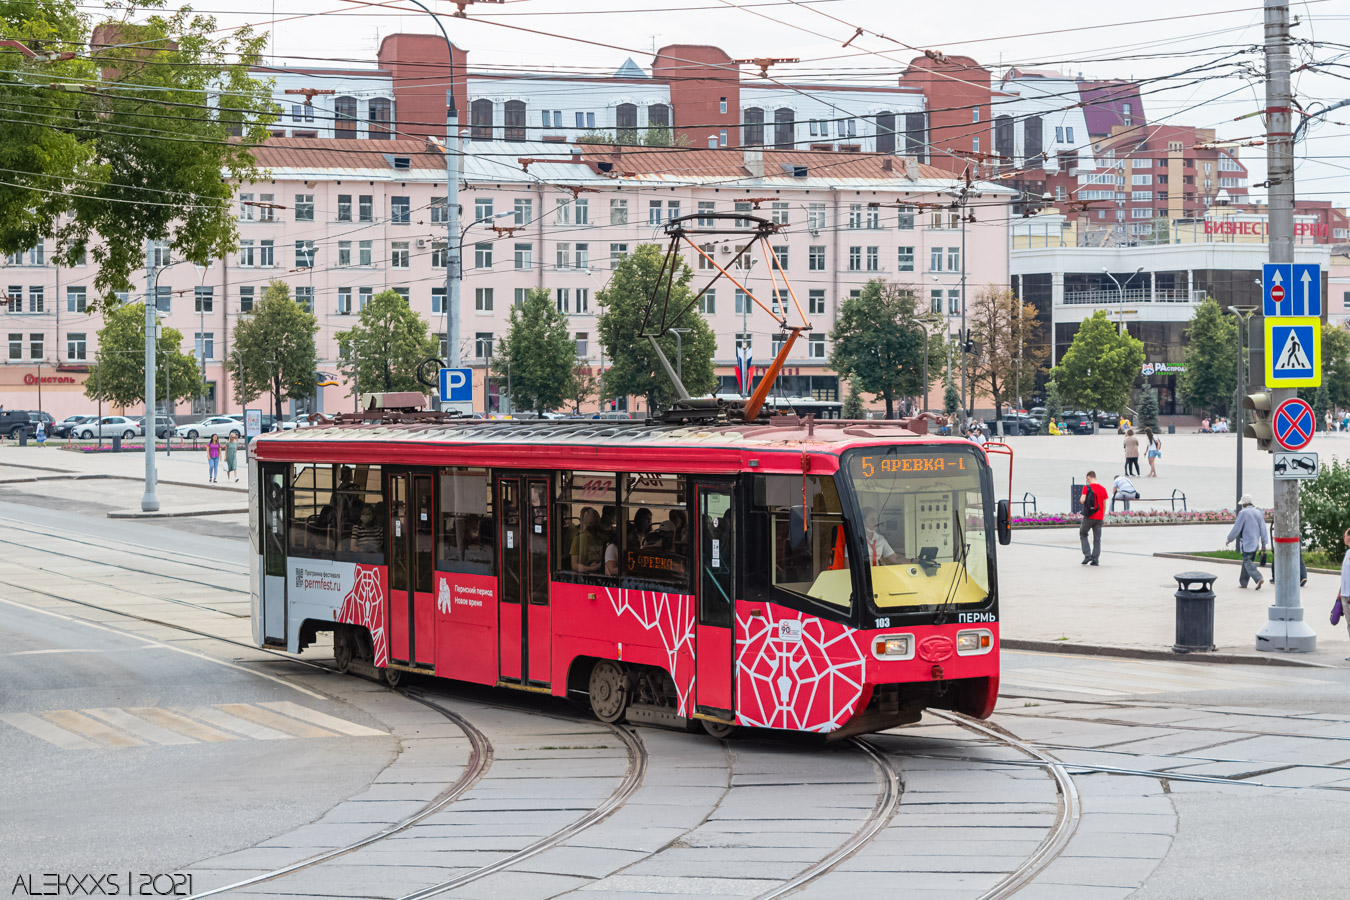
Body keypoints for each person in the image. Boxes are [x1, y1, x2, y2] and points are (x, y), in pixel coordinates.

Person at [1226, 495, 1267, 590]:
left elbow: (1236, 528)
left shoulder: (1243, 513)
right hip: (1255, 542)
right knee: (1247, 562)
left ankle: (1258, 578)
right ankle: (1243, 582)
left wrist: (1229, 539)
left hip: (1246, 543)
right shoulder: (1258, 512)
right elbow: (1263, 528)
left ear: (1244, 504)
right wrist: (1264, 543)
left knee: (1247, 561)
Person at [1079, 471, 1108, 566]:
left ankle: (1087, 555)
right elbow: (1104, 505)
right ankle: (1095, 559)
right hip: (1099, 517)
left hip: (1089, 516)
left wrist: (1082, 499)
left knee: (1083, 533)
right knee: (1097, 539)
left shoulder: (1086, 487)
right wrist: (1102, 517)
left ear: (1088, 477)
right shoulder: (1103, 489)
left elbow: (1082, 500)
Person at [570, 506, 606, 573]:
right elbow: (575, 565)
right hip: (585, 575)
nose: (593, 525)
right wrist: (593, 568)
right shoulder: (579, 539)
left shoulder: (603, 538)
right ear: (584, 523)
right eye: (590, 523)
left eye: (596, 522)